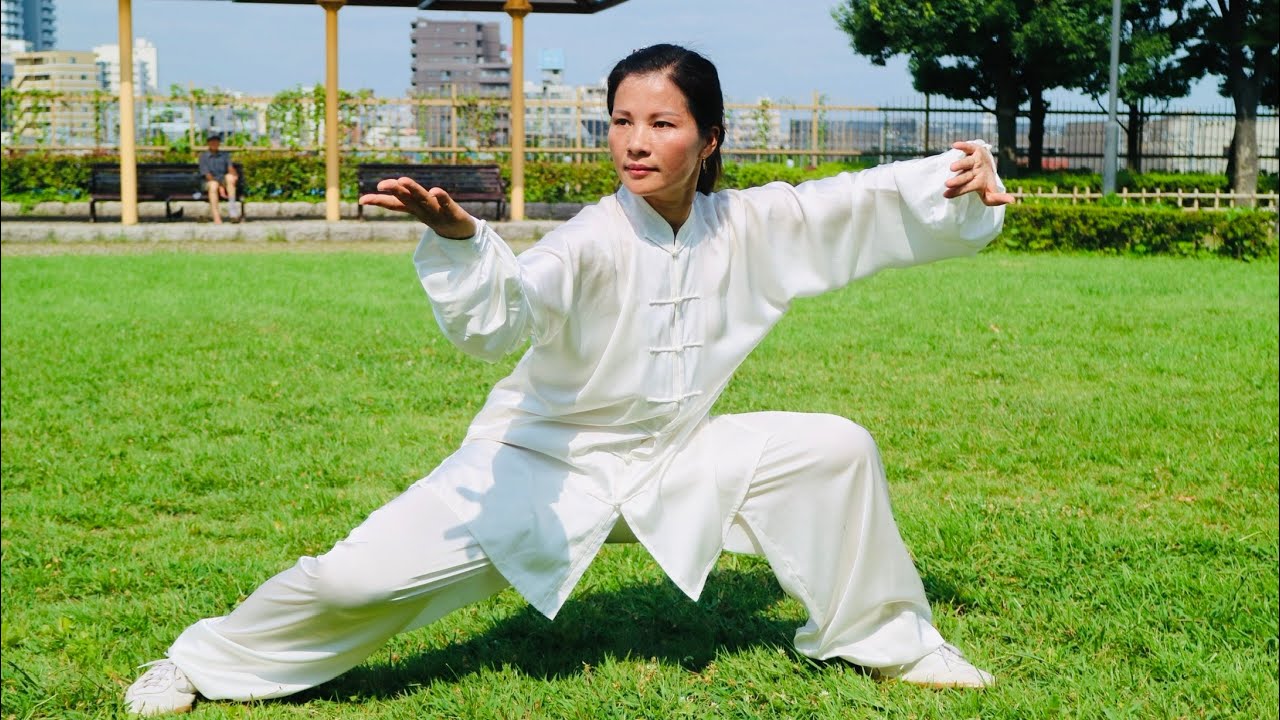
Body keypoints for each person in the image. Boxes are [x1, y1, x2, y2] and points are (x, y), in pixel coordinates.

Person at [123, 44, 1015, 716]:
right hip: (536, 468)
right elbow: (509, 310)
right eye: (621, 122)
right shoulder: (590, 237)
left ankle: (884, 639)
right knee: (353, 582)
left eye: (661, 124)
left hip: (672, 459)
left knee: (832, 448)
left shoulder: (752, 223)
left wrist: (957, 174)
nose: (635, 143)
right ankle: (199, 662)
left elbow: (853, 202)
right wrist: (465, 244)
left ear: (709, 138)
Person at [197, 133, 239, 224]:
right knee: (213, 185)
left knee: (230, 178)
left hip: (223, 180)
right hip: (209, 182)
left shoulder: (225, 155)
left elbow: (230, 168)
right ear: (208, 143)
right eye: (212, 141)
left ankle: (233, 213)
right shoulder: (203, 157)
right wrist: (220, 186)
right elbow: (207, 175)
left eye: (216, 141)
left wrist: (234, 174)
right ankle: (216, 217)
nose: (214, 143)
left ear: (219, 143)